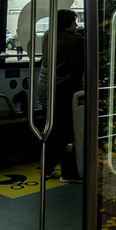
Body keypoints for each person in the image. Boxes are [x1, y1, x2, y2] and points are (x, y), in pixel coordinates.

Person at [45, 9, 85, 182]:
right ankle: (68, 173)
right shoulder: (76, 41)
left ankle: (47, 168)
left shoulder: (48, 35)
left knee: (51, 132)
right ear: (67, 25)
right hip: (65, 91)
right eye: (74, 23)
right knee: (67, 134)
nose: (76, 25)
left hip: (46, 90)